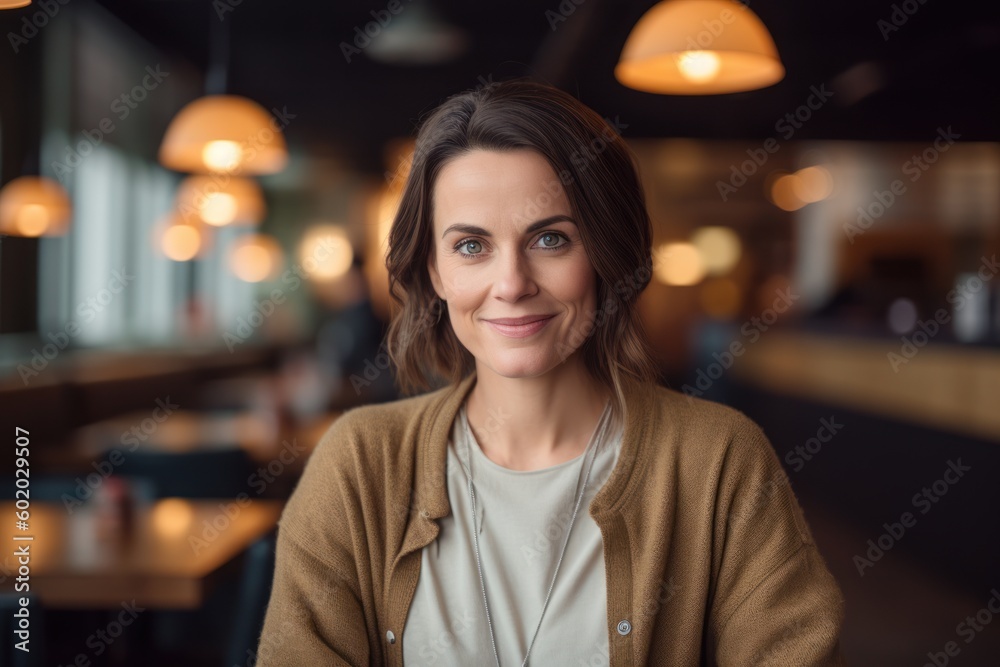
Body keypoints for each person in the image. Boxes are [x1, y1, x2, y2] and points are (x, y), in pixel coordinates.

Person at [256, 79, 845, 666]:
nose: (512, 284)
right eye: (470, 246)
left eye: (550, 239)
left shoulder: (718, 460)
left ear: (605, 258)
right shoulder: (358, 465)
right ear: (434, 271)